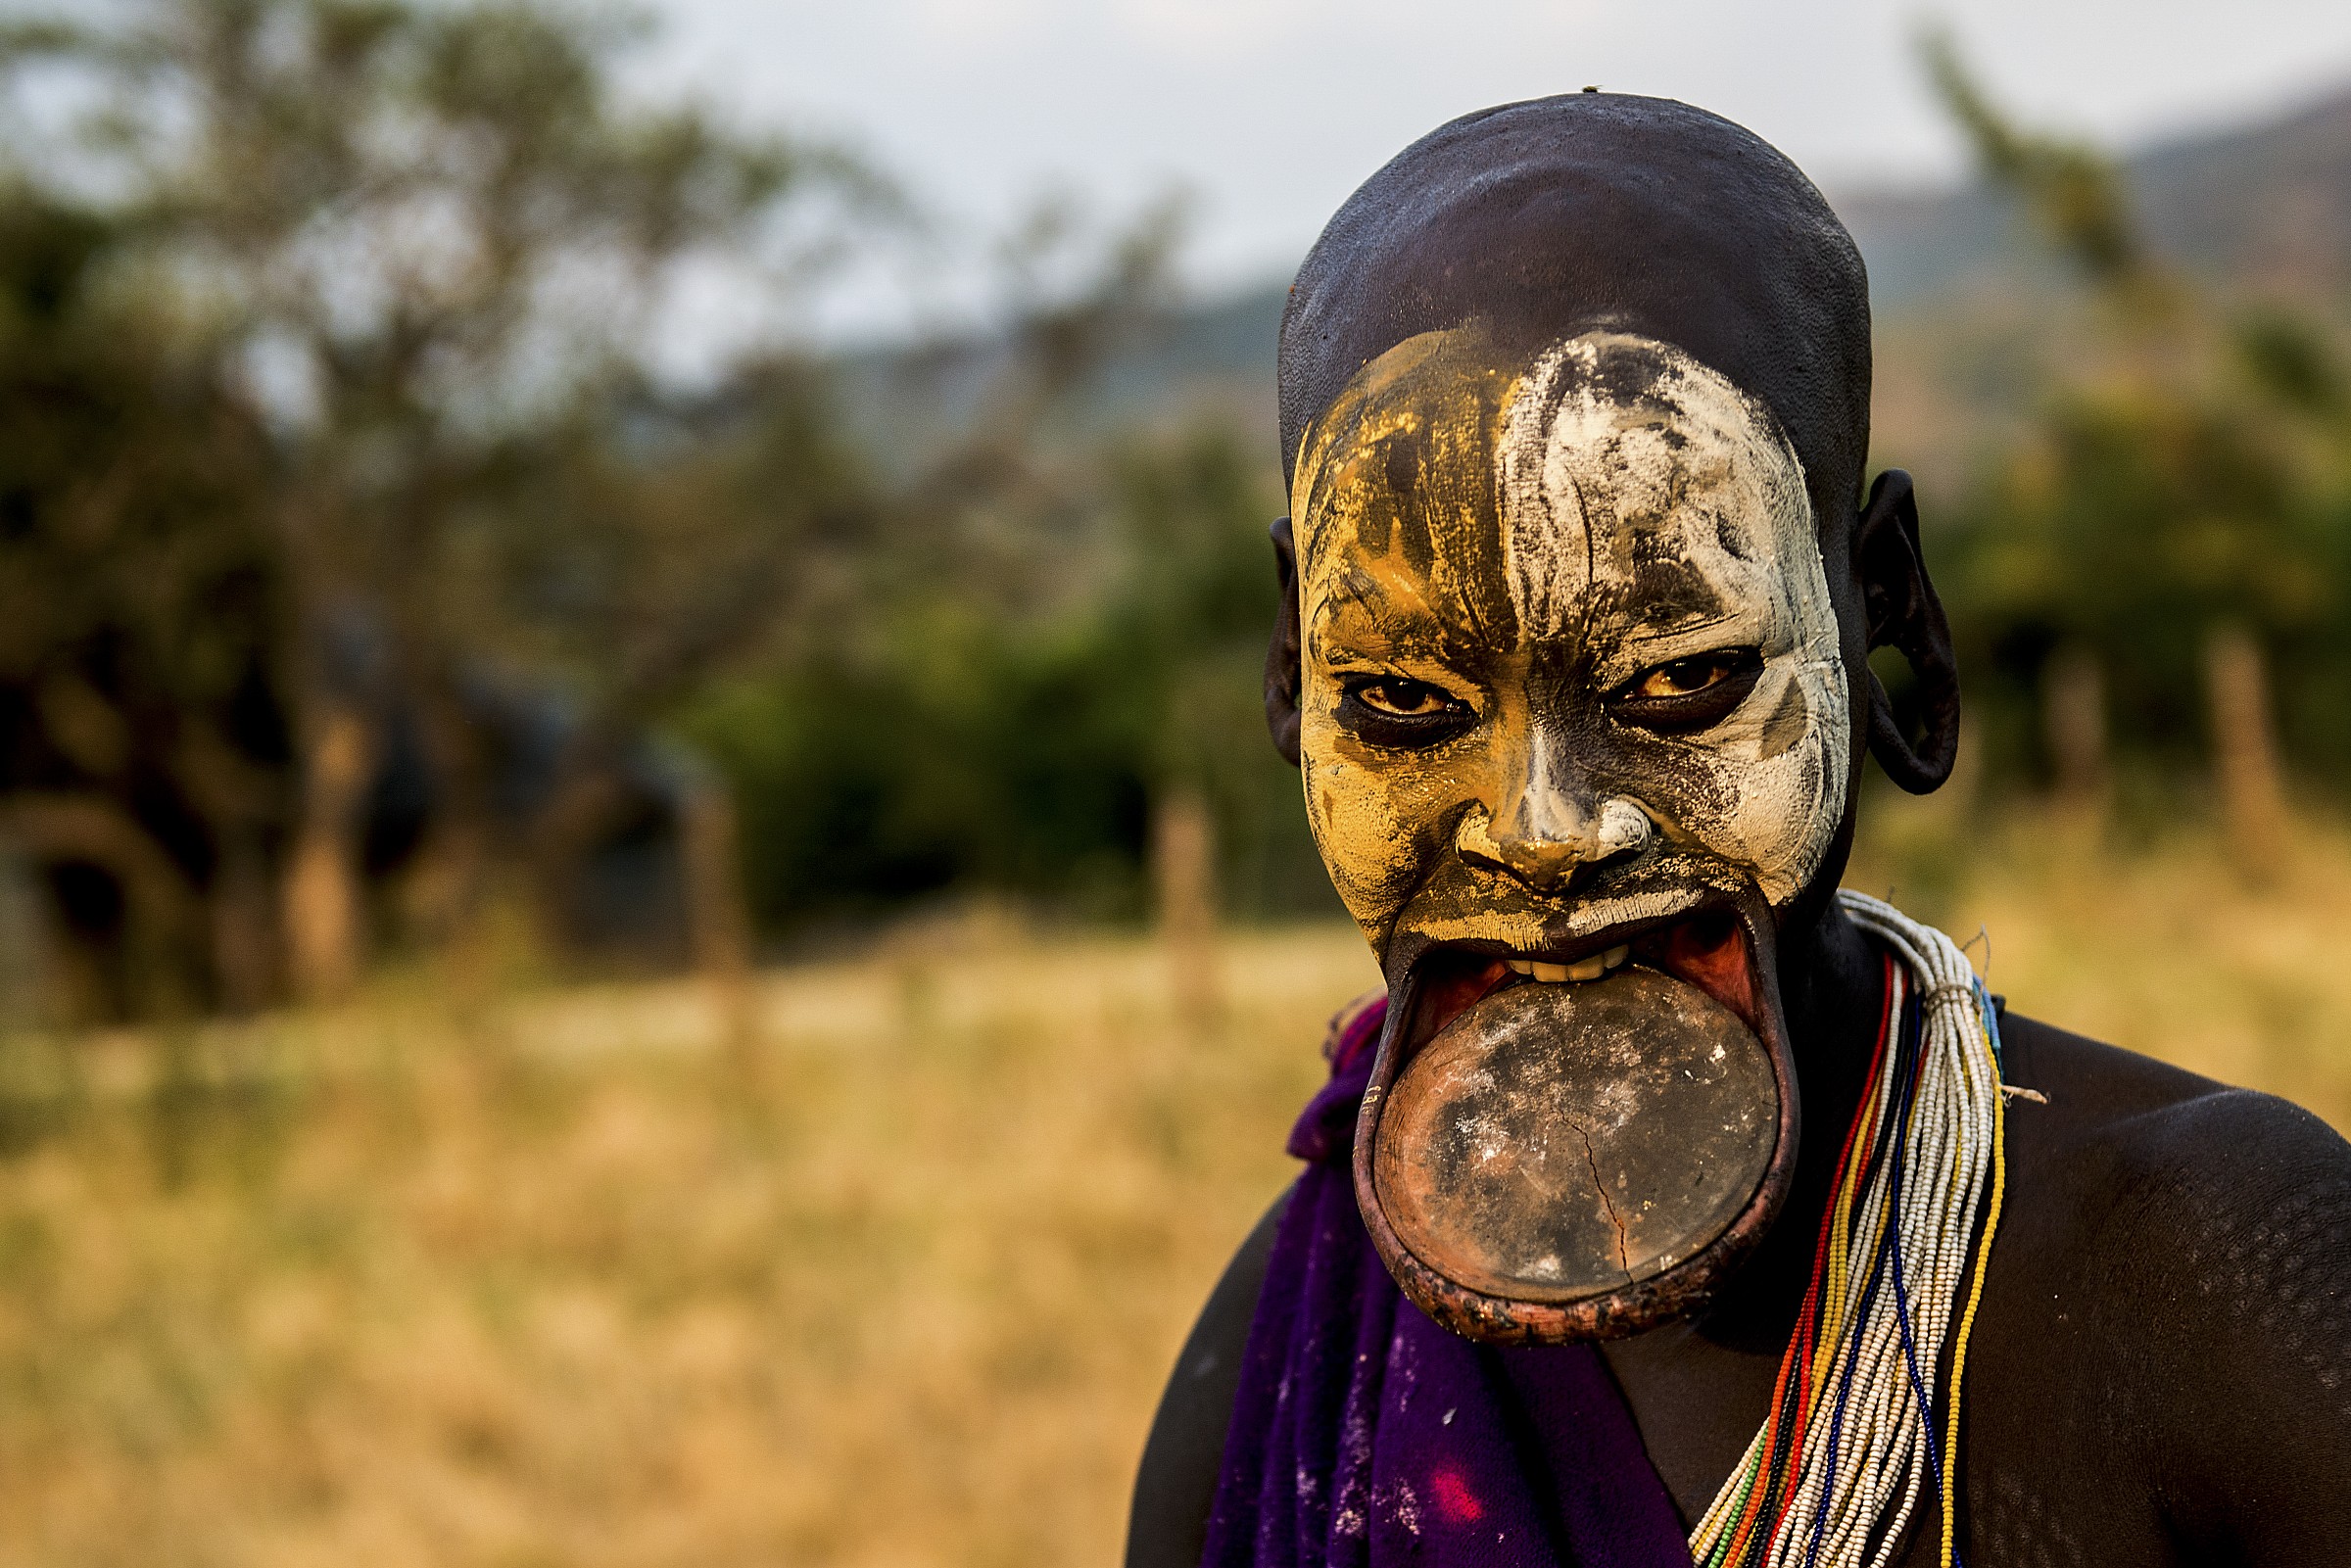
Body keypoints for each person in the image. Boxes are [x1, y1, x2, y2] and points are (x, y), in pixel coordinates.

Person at [1126, 93, 2351, 1568]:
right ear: (1292, 672)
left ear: (1885, 621)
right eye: (1402, 701)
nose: (1543, 831)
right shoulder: (1285, 1362)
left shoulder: (2214, 1282)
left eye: (1677, 681)